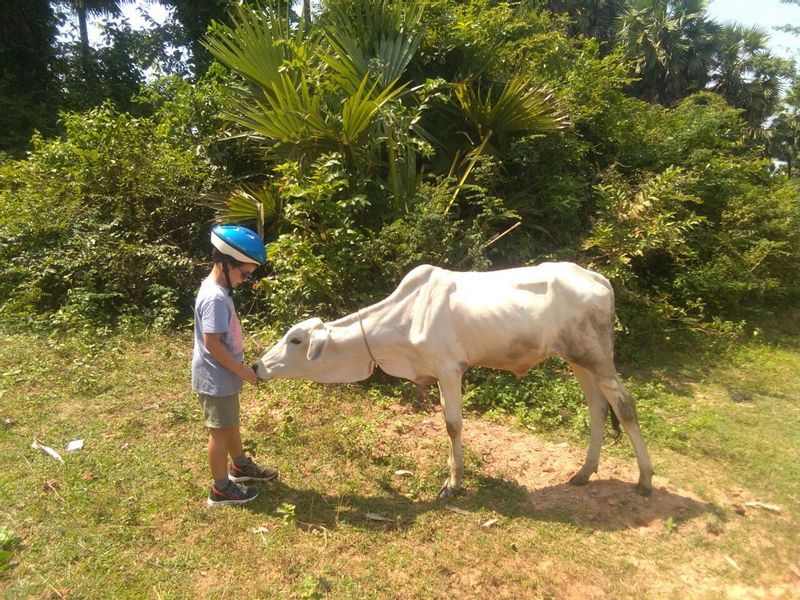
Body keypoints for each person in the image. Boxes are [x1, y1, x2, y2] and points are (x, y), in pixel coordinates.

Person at [192, 224, 278, 507]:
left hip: (224, 375)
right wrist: (241, 370)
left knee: (230, 424)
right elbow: (212, 344)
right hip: (217, 378)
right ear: (224, 262)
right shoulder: (215, 297)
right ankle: (220, 489)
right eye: (244, 273)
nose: (246, 280)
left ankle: (239, 466)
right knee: (218, 431)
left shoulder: (219, 291)